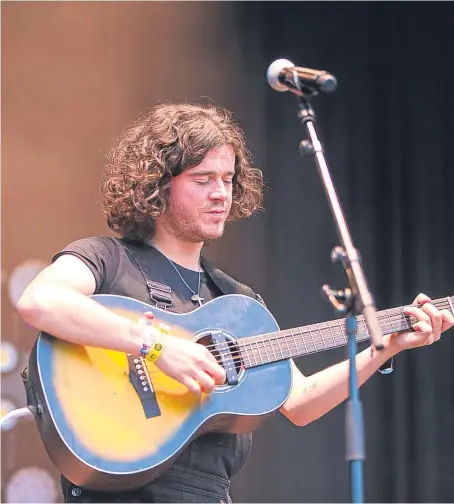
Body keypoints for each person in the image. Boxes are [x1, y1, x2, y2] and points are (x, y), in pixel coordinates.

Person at [17, 102, 454, 503]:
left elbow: (300, 401)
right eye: (203, 179)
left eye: (227, 179)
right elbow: (41, 300)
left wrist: (385, 347)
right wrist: (156, 345)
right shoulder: (108, 259)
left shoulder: (239, 302)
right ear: (157, 186)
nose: (220, 193)